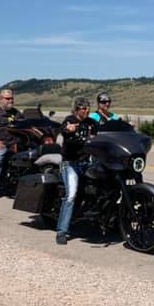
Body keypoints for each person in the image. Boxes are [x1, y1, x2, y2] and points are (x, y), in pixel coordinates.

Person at [55, 97, 98, 245]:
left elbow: (105, 131)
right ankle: (61, 231)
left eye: (88, 108)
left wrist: (126, 126)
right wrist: (68, 129)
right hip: (70, 163)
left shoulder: (91, 123)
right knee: (71, 195)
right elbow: (62, 129)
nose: (86, 111)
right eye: (83, 108)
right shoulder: (70, 119)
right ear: (77, 109)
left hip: (87, 163)